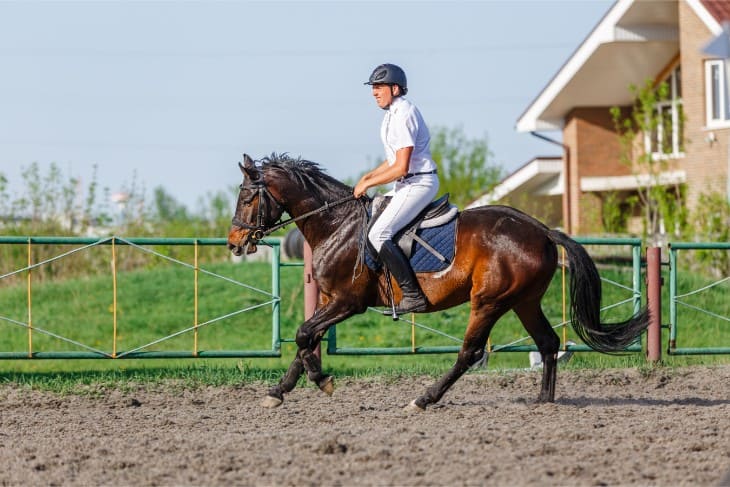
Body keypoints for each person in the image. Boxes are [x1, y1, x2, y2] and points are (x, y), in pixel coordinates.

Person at [354, 63, 439, 314]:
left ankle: (413, 295)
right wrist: (367, 176)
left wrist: (369, 183)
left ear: (395, 88)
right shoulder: (391, 115)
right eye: (373, 88)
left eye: (379, 87)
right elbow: (392, 160)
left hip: (418, 182)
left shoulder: (404, 114)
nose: (374, 92)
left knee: (378, 234)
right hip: (406, 183)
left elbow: (401, 167)